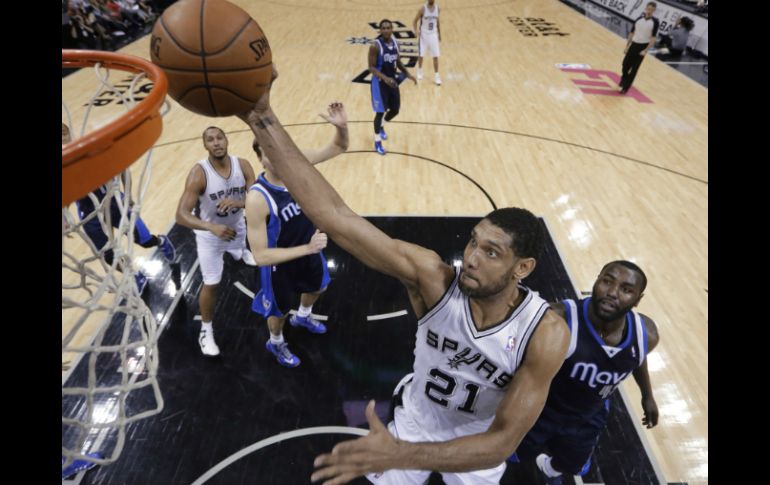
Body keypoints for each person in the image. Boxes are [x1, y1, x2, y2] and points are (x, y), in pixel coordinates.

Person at [239, 67, 570, 485]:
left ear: (522, 268)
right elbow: (337, 218)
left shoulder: (544, 333)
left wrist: (401, 451)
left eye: (491, 253)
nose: (470, 258)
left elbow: (502, 442)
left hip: (478, 441)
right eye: (472, 242)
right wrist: (261, 115)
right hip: (416, 420)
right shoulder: (433, 279)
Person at [509, 261, 660, 484]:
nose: (612, 293)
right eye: (607, 281)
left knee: (571, 466)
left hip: (587, 416)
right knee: (512, 458)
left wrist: (647, 395)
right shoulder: (557, 319)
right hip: (540, 411)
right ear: (597, 280)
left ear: (638, 299)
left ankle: (548, 468)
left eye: (626, 290)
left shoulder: (646, 334)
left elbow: (637, 357)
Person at [246, 102, 349, 368]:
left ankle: (303, 316)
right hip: (279, 264)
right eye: (268, 154)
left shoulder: (296, 163)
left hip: (309, 249)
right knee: (278, 311)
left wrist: (341, 128)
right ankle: (276, 341)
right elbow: (260, 256)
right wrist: (308, 248)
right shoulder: (257, 198)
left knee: (319, 286)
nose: (276, 159)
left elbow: (338, 147)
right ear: (260, 157)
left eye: (277, 152)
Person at [62, 123, 176, 293]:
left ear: (69, 132)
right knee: (108, 255)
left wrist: (128, 194)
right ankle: (135, 276)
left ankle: (160, 241)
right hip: (90, 214)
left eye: (63, 133)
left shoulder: (90, 149)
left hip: (116, 203)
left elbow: (123, 168)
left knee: (144, 241)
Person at [175, 126, 257, 357]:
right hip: (210, 236)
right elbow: (181, 215)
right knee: (212, 283)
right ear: (205, 146)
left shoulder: (243, 165)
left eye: (219, 137)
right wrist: (211, 226)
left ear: (226, 140)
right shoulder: (199, 173)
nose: (216, 143)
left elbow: (256, 198)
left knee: (241, 247)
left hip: (237, 226)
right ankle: (206, 330)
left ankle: (240, 252)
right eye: (210, 140)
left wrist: (239, 203)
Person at [368, 19, 417, 156]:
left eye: (388, 27)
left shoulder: (395, 43)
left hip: (392, 82)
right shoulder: (375, 46)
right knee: (380, 112)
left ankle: (382, 125)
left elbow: (398, 60)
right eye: (383, 28)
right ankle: (377, 141)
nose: (386, 30)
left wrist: (407, 73)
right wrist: (385, 78)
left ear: (392, 30)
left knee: (395, 110)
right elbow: (371, 67)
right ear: (380, 30)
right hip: (379, 83)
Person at [619, 2, 659, 94]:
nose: (649, 11)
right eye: (648, 9)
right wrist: (627, 46)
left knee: (634, 69)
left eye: (651, 10)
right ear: (645, 8)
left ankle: (625, 87)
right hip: (633, 44)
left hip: (642, 47)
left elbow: (653, 38)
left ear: (654, 11)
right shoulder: (638, 19)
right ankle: (624, 78)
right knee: (625, 65)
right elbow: (632, 33)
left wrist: (646, 50)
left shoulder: (655, 22)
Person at [412, 0, 442, 86]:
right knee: (421, 55)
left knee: (435, 56)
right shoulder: (422, 9)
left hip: (433, 34)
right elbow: (414, 21)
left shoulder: (438, 8)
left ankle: (437, 76)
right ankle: (420, 70)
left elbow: (437, 22)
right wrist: (415, 31)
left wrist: (439, 34)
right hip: (424, 35)